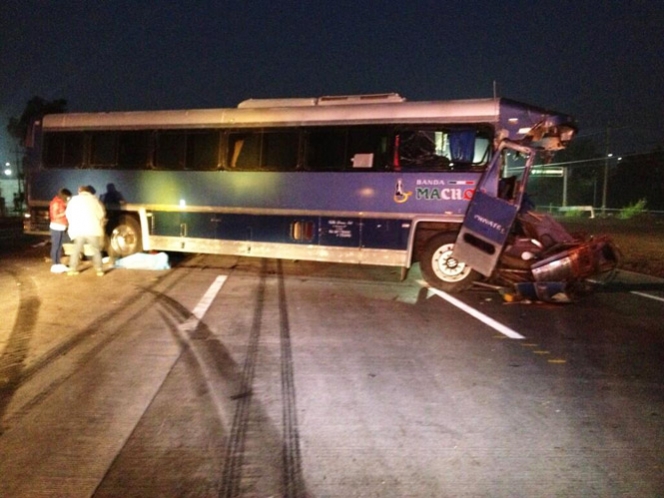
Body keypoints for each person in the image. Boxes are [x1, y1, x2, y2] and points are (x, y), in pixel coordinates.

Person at [65, 185, 106, 276]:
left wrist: (73, 223)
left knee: (77, 249)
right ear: (89, 192)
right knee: (96, 249)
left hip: (79, 229)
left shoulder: (74, 200)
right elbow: (101, 214)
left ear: (80, 192)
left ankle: (72, 268)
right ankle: (99, 269)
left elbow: (68, 214)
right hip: (92, 229)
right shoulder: (94, 200)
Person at [49, 187, 72, 272]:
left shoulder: (61, 202)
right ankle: (54, 264)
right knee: (55, 246)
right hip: (56, 226)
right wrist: (65, 213)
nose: (69, 198)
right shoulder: (55, 203)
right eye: (68, 197)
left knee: (59, 246)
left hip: (61, 227)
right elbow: (54, 216)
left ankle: (58, 263)